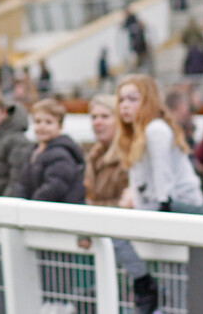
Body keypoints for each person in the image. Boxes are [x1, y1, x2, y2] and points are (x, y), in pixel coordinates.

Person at [79, 94, 158, 314]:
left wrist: (92, 212)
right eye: (94, 117)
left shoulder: (128, 154)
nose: (97, 122)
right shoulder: (93, 156)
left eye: (105, 116)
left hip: (132, 246)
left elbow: (127, 203)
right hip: (108, 245)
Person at [115, 74, 203, 212]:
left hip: (182, 208)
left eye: (132, 99)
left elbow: (164, 182)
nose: (125, 105)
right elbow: (139, 181)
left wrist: (159, 212)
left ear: (148, 101)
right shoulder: (133, 134)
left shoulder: (156, 129)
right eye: (121, 100)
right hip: (157, 208)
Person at [12, 99, 85, 203]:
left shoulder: (62, 155)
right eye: (38, 121)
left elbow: (54, 188)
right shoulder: (33, 151)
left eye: (48, 122)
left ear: (60, 126)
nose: (42, 126)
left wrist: (31, 205)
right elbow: (23, 183)